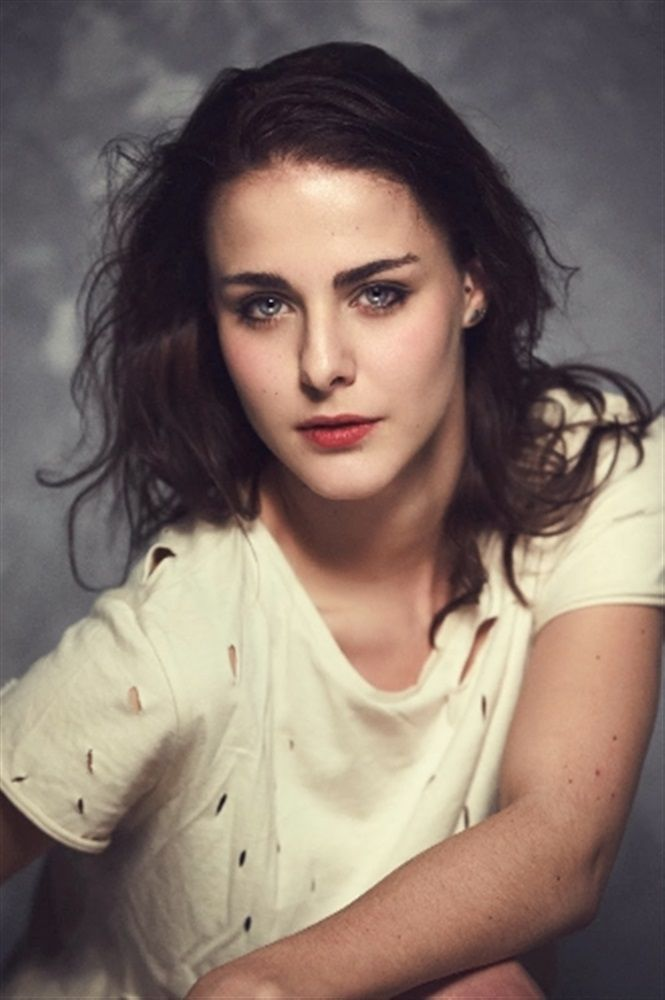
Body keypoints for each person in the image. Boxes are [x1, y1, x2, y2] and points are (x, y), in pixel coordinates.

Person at [0, 41, 662, 1000]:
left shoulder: (586, 463)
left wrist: (265, 987)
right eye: (264, 305)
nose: (321, 365)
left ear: (471, 280)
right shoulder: (176, 634)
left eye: (378, 293)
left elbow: (564, 843)